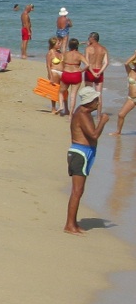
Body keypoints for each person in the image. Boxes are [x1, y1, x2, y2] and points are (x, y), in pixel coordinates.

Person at [64, 87, 110, 235]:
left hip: (85, 153)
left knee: (79, 190)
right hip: (80, 154)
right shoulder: (82, 114)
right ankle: (69, 225)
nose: (98, 102)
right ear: (89, 102)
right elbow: (94, 135)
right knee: (77, 191)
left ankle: (73, 223)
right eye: (96, 100)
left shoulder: (85, 112)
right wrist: (103, 121)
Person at [58, 38, 87, 116]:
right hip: (76, 74)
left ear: (69, 46)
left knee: (61, 92)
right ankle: (71, 114)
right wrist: (82, 70)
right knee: (73, 95)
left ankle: (61, 106)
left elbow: (61, 62)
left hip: (66, 73)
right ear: (77, 46)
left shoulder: (65, 54)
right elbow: (87, 65)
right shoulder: (79, 55)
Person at [111, 50, 136, 135]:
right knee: (121, 114)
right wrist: (134, 55)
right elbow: (126, 63)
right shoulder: (130, 71)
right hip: (131, 98)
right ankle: (118, 132)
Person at [83, 32, 108, 101]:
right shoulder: (103, 49)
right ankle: (99, 112)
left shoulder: (88, 48)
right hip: (99, 71)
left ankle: (88, 112)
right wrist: (99, 72)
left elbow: (87, 62)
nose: (88, 39)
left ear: (92, 38)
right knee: (99, 95)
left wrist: (93, 73)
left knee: (88, 94)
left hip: (90, 71)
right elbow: (106, 63)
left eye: (89, 38)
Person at [45, 37, 63, 115]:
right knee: (54, 91)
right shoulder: (50, 53)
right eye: (58, 43)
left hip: (62, 73)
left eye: (60, 43)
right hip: (54, 72)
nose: (60, 44)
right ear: (53, 44)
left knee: (63, 91)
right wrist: (50, 76)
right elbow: (48, 65)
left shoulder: (60, 52)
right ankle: (53, 108)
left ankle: (63, 107)